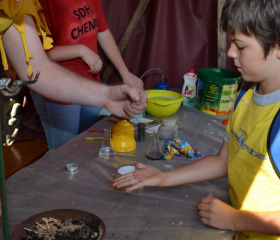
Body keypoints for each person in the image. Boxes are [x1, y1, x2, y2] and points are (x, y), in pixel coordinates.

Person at [113, 0, 280, 239]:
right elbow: (225, 160)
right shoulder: (246, 94)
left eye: (240, 46)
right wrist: (164, 177)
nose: (231, 52)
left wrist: (235, 219)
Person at [0, 0, 146, 144]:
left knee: (89, 144)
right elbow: (41, 60)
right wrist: (80, 50)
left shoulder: (16, 4)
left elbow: (38, 68)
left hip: (83, 83)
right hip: (57, 94)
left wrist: (108, 95)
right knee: (63, 149)